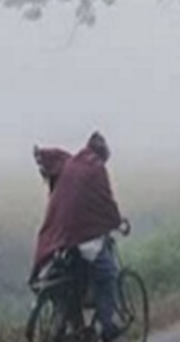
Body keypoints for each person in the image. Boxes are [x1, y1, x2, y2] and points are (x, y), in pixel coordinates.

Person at [32, 132, 127, 342]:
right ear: (102, 154)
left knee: (76, 278)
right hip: (84, 236)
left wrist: (40, 155)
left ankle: (77, 327)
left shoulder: (72, 163)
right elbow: (105, 202)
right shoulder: (96, 168)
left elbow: (55, 158)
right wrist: (116, 221)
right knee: (109, 275)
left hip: (61, 238)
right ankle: (107, 326)